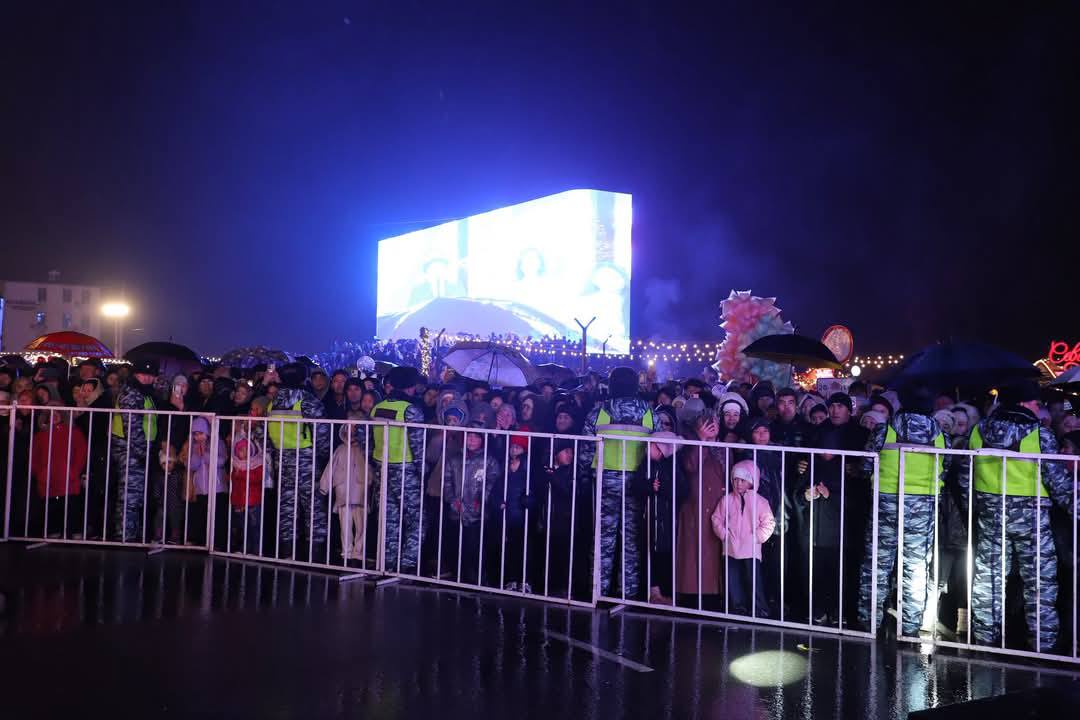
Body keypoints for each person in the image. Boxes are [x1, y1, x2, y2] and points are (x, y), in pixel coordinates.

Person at [965, 379, 1072, 651]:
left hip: (991, 514)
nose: (1039, 408)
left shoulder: (979, 430)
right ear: (1024, 403)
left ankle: (985, 639)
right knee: (1039, 583)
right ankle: (1042, 644)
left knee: (988, 579)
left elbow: (966, 474)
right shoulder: (1040, 435)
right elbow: (1058, 483)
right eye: (1036, 403)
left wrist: (973, 506)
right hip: (1032, 518)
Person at [856, 385, 949, 637]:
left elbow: (865, 465)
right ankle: (909, 626)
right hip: (922, 505)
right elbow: (946, 467)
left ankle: (869, 621)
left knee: (877, 564)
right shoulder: (940, 434)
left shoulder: (884, 430)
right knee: (915, 567)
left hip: (885, 502)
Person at [581, 366, 654, 600]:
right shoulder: (648, 412)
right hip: (637, 482)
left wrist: (583, 476)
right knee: (631, 538)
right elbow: (658, 446)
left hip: (605, 480)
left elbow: (586, 449)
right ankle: (628, 591)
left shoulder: (599, 412)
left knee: (603, 537)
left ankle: (599, 589)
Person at [266, 362, 331, 561]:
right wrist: (324, 456)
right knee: (313, 507)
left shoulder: (273, 403)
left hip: (282, 461)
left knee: (287, 507)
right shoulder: (308, 402)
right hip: (306, 461)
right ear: (304, 379)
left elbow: (265, 433)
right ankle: (315, 554)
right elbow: (322, 434)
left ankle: (287, 550)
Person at [371, 366, 426, 573]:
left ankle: (388, 564)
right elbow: (418, 445)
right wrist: (423, 471)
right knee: (417, 520)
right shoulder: (411, 411)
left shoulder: (377, 408)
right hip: (405, 470)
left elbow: (368, 439)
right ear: (411, 386)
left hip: (382, 467)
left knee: (389, 519)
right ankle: (407, 565)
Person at [676, 411, 727, 609]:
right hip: (695, 506)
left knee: (714, 553)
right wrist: (701, 440)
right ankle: (690, 594)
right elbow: (691, 466)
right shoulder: (690, 445)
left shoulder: (725, 447)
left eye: (713, 423)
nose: (711, 427)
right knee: (693, 552)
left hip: (718, 506)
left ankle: (714, 595)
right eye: (706, 423)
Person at [711, 460, 775, 617]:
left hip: (751, 548)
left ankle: (759, 610)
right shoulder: (727, 500)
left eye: (743, 480)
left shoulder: (760, 502)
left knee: (753, 581)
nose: (738, 484)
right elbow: (716, 518)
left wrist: (756, 538)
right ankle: (737, 609)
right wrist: (724, 535)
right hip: (730, 548)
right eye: (735, 479)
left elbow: (769, 523)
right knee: (733, 581)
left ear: (752, 482)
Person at [442, 420, 501, 585]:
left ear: (483, 439)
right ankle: (458, 578)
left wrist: (481, 500)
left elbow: (493, 483)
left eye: (476, 437)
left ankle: (477, 580)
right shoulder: (454, 459)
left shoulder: (489, 461)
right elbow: (446, 482)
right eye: (469, 436)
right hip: (457, 512)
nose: (472, 440)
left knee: (475, 548)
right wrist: (452, 500)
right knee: (456, 546)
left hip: (479, 515)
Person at [109, 358, 159, 542]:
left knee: (134, 495)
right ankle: (125, 535)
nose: (147, 378)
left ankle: (130, 533)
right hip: (131, 451)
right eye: (142, 374)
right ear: (135, 374)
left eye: (150, 375)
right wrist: (143, 453)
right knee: (130, 496)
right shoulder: (132, 394)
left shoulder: (143, 393)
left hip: (136, 450)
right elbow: (132, 427)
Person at [30, 404, 88, 539]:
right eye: (51, 413)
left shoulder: (74, 432)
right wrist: (40, 473)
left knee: (72, 505)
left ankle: (73, 530)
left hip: (69, 477)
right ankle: (53, 530)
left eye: (57, 412)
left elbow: (81, 453)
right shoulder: (40, 435)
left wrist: (74, 471)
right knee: (51, 506)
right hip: (48, 478)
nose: (54, 415)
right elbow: (33, 456)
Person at [319, 413, 370, 564]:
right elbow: (331, 467)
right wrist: (324, 486)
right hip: (343, 492)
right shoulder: (340, 449)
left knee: (361, 526)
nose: (351, 430)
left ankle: (358, 552)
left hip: (360, 492)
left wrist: (372, 482)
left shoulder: (365, 450)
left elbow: (371, 470)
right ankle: (346, 551)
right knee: (345, 526)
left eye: (355, 427)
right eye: (349, 426)